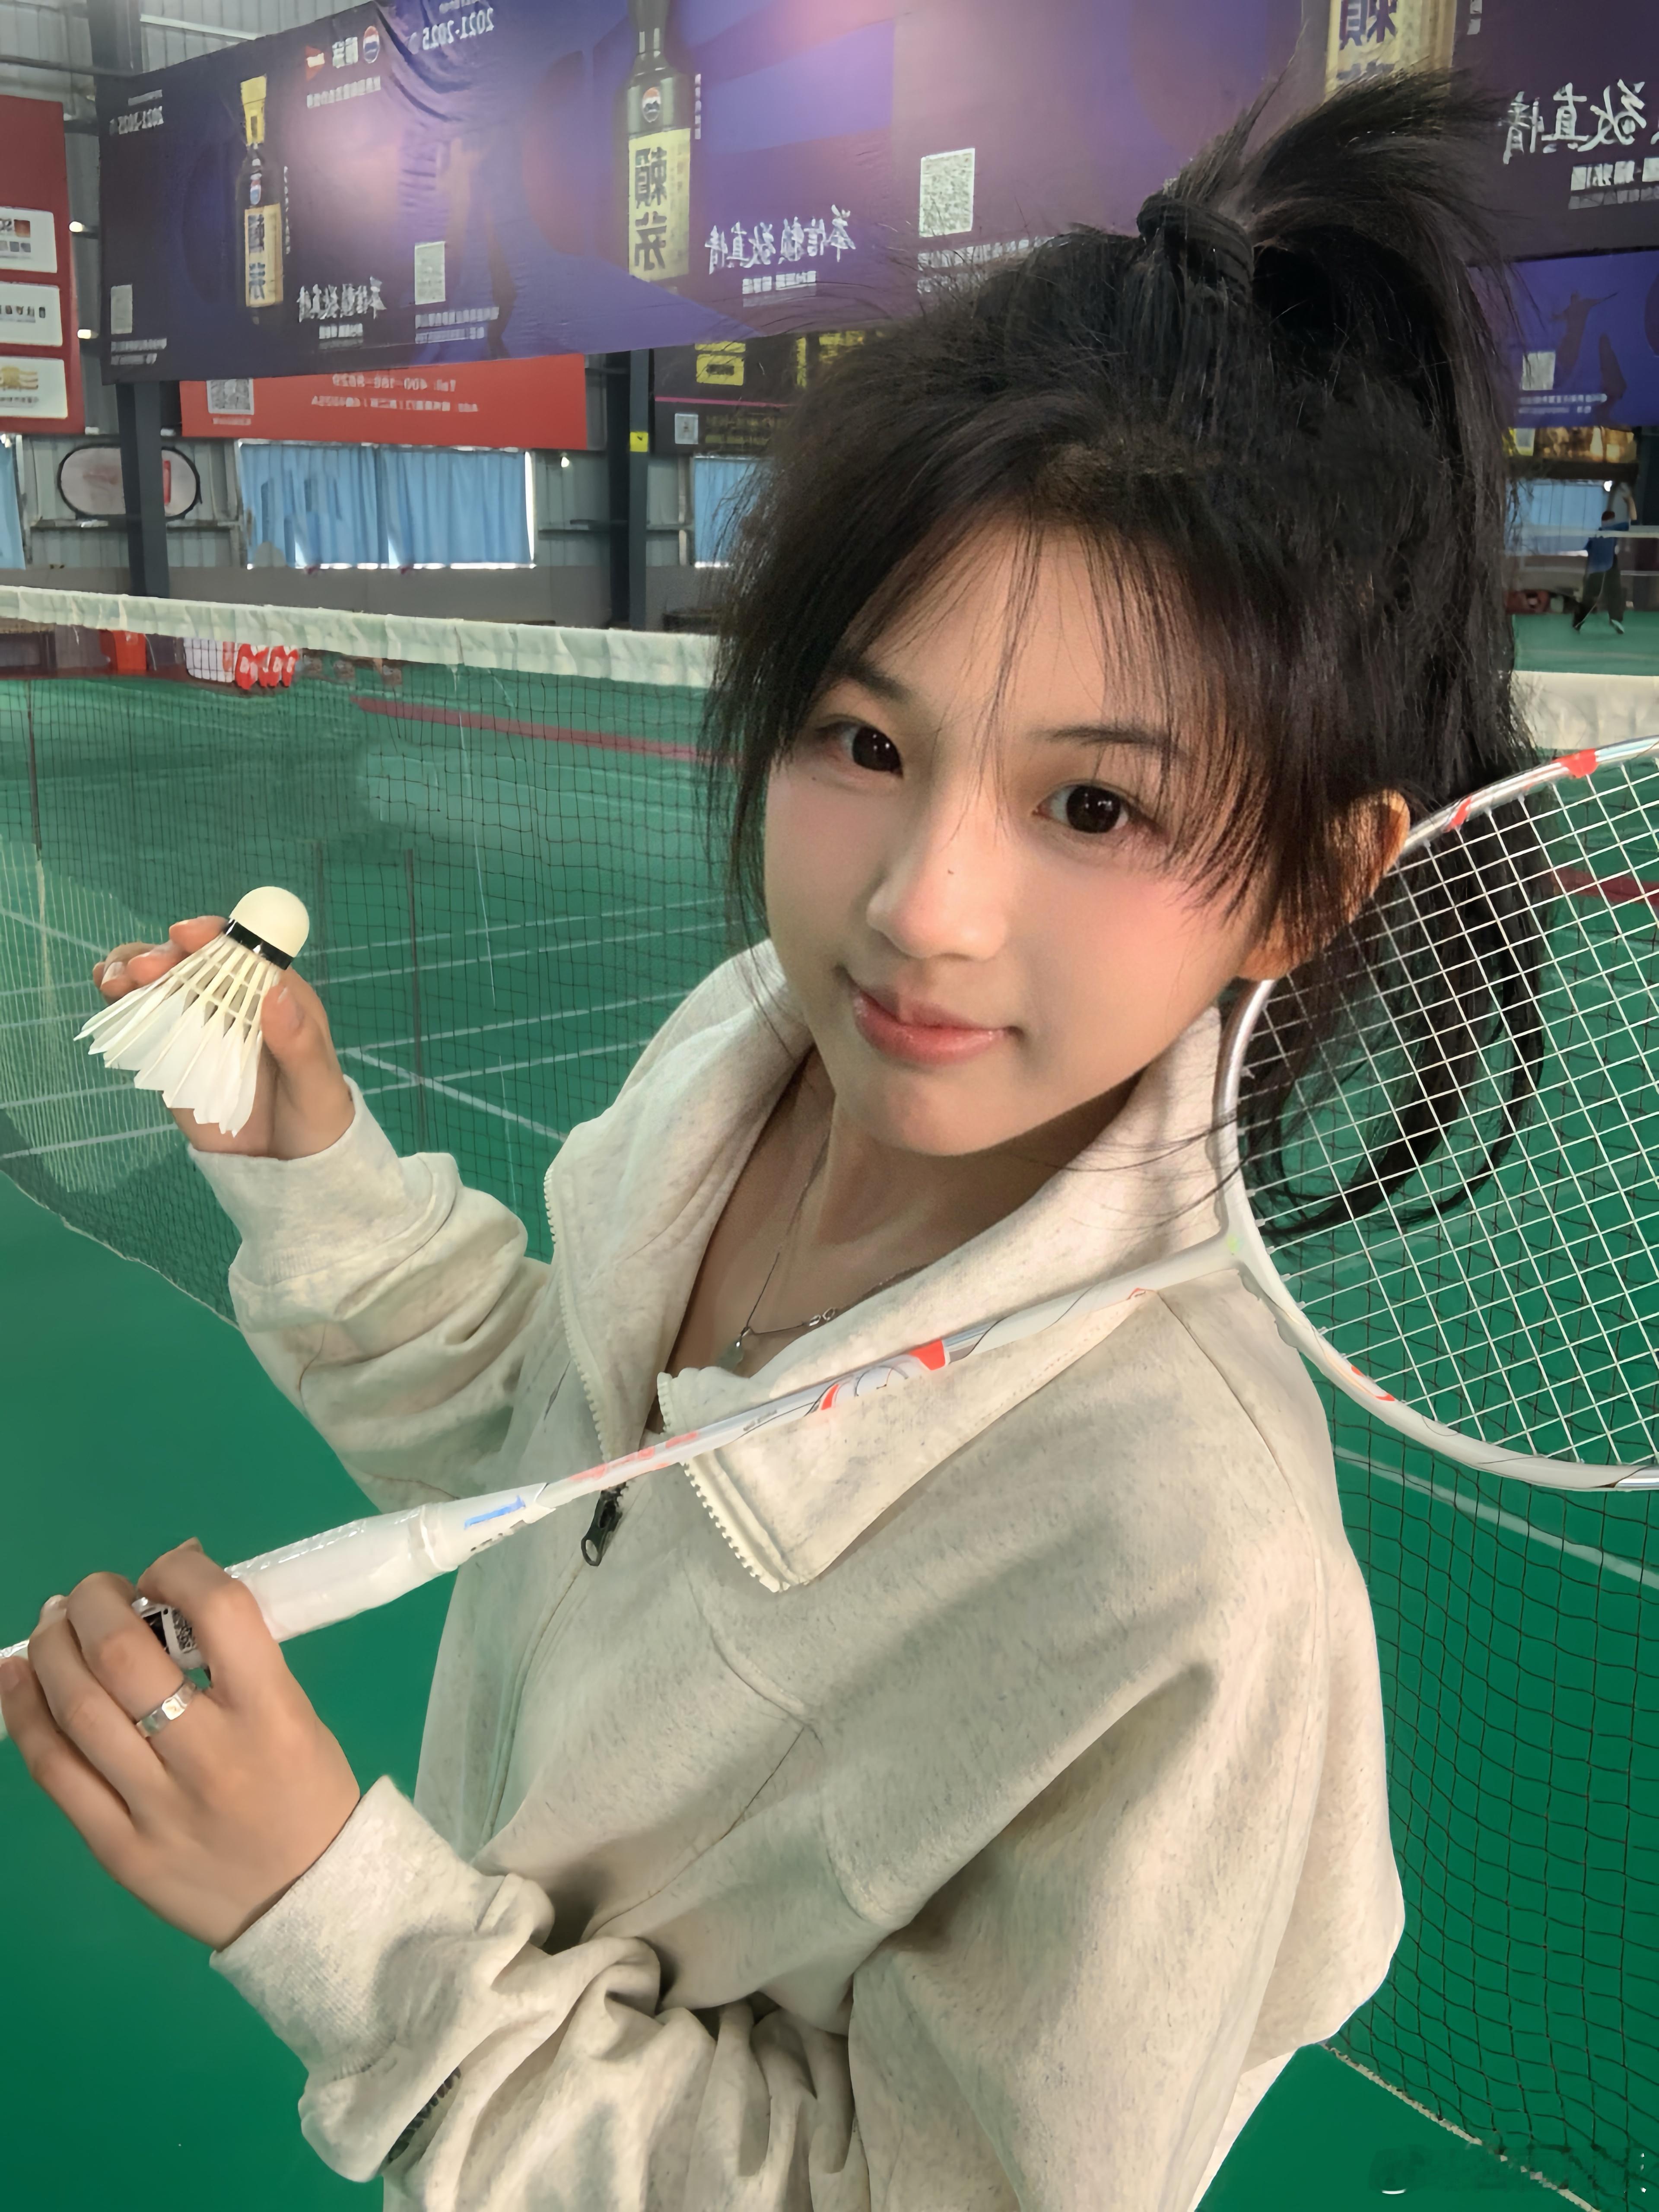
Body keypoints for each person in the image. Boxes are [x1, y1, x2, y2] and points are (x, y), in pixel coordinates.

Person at [0, 72, 1526, 2211]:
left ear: (1313, 880)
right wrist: (311, 1159)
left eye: (1094, 804)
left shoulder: (1201, 1579)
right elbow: (553, 1460)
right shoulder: (755, 1044)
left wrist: (335, 1914)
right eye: (863, 737)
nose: (919, 908)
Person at [1571, 503, 1629, 633]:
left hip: (1609, 564)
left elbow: (1630, 524)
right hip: (1598, 566)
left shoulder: (1613, 529)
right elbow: (1588, 549)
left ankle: (1615, 619)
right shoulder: (1597, 534)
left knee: (1613, 592)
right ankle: (1579, 620)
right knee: (1591, 595)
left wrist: (1629, 502)